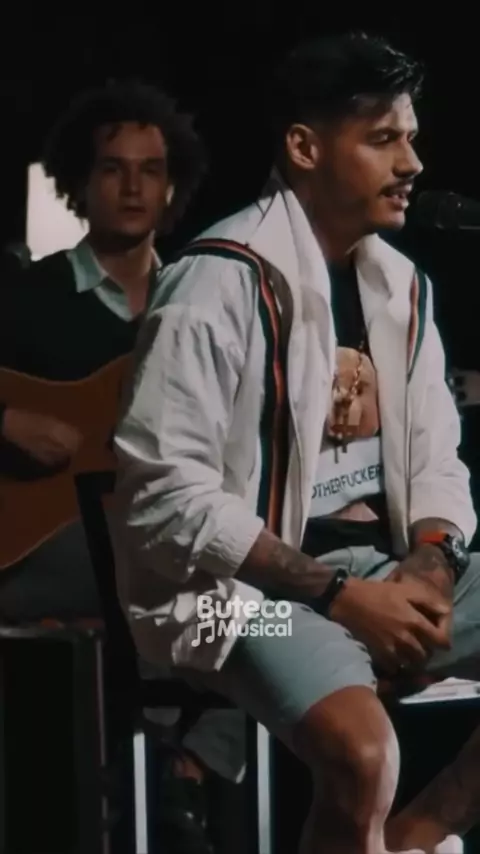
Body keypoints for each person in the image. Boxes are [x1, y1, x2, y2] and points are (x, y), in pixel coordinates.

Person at [112, 31, 480, 854]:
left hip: (376, 578)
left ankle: (414, 840)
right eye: (383, 138)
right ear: (305, 148)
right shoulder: (213, 281)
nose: (413, 163)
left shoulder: (404, 288)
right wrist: (342, 598)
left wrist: (429, 565)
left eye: (411, 137)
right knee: (362, 756)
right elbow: (162, 496)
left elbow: (437, 461)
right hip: (238, 603)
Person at [0, 81, 226, 853]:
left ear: (172, 187)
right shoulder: (25, 295)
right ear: (79, 182)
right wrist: (7, 420)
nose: (132, 187)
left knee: (269, 609)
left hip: (160, 548)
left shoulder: (201, 303)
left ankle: (186, 765)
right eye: (111, 169)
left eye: (150, 170)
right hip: (47, 556)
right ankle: (159, 772)